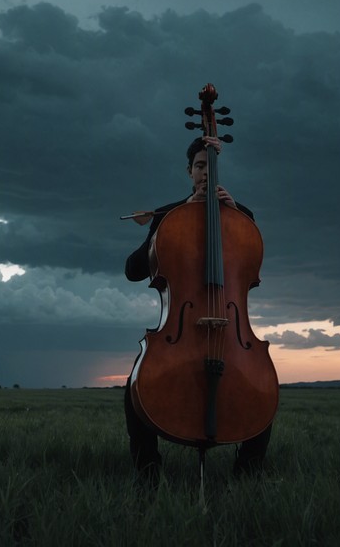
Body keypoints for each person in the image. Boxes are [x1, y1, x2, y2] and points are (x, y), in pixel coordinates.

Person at [124, 136, 272, 482]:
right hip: (180, 331)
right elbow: (133, 271)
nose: (206, 172)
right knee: (134, 390)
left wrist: (233, 212)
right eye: (200, 166)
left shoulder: (242, 215)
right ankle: (147, 476)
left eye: (211, 165)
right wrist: (169, 226)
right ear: (189, 172)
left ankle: (247, 477)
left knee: (262, 388)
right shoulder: (167, 216)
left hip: (231, 331)